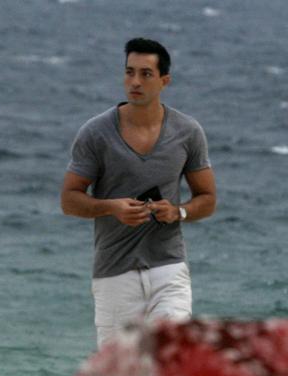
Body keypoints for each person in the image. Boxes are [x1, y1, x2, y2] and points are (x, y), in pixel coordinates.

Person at [60, 38, 217, 346]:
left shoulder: (188, 132)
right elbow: (69, 199)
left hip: (168, 266)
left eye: (145, 74)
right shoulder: (96, 132)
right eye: (129, 72)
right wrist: (111, 208)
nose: (135, 82)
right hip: (114, 271)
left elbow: (208, 198)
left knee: (171, 358)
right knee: (122, 375)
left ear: (164, 81)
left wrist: (178, 211)